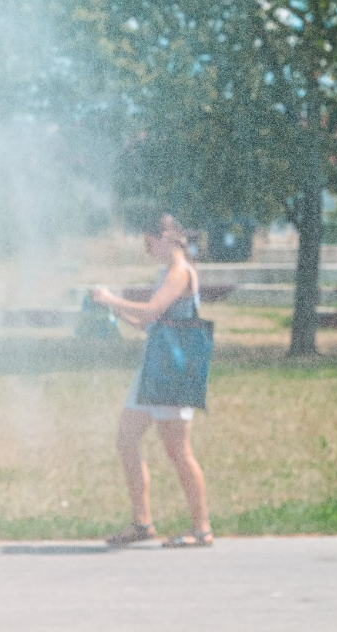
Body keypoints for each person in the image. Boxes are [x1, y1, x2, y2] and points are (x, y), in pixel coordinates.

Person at [92, 213, 214, 549]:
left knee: (177, 450)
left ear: (166, 236)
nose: (148, 251)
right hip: (155, 366)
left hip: (172, 370)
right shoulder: (167, 272)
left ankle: (201, 528)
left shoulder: (179, 271)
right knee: (126, 438)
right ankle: (142, 522)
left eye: (150, 243)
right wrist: (120, 313)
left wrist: (110, 299)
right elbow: (150, 323)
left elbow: (151, 311)